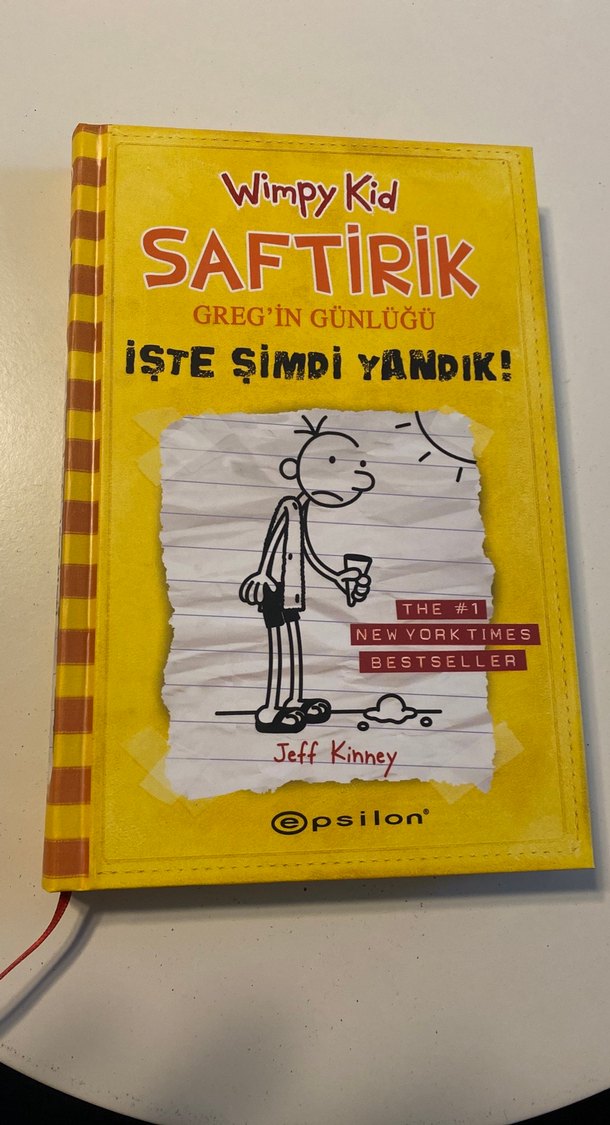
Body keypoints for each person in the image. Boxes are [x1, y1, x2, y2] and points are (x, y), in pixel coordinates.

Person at [239, 415, 375, 733]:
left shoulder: (303, 510)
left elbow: (307, 554)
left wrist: (338, 578)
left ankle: (294, 700)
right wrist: (262, 572)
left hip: (292, 594)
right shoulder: (289, 504)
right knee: (280, 649)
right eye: (332, 462)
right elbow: (273, 538)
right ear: (293, 469)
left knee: (294, 646)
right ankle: (271, 710)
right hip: (274, 592)